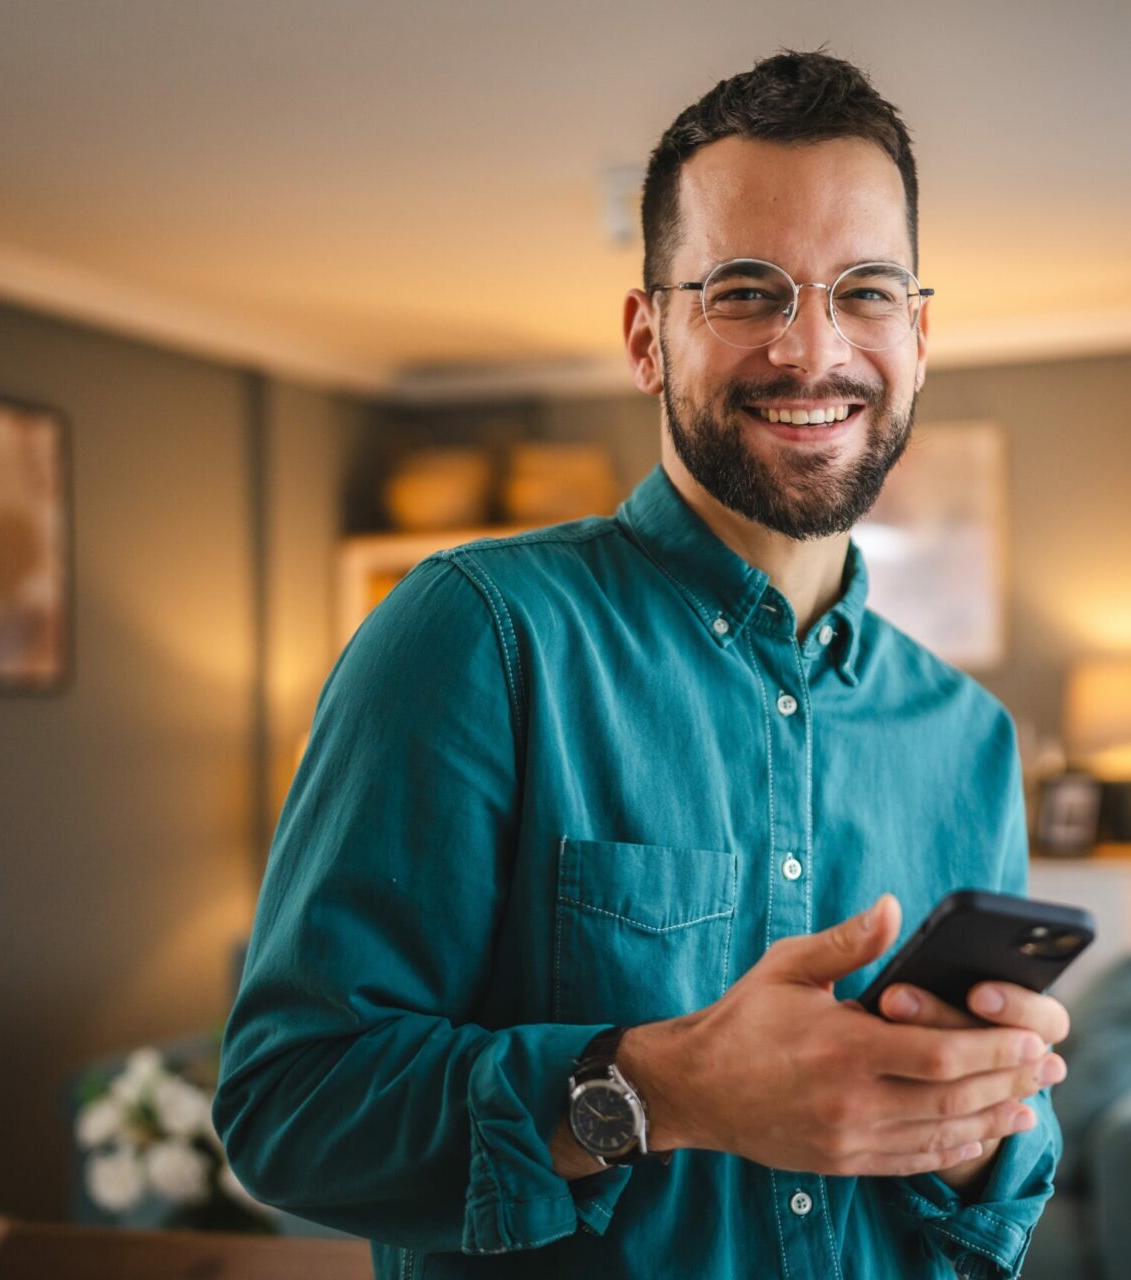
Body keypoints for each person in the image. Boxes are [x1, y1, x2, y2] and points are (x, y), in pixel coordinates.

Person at [214, 49, 1065, 1280]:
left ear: (920, 336)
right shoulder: (474, 635)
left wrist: (976, 1122)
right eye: (743, 290)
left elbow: (997, 1211)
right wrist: (662, 1089)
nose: (811, 348)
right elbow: (288, 1110)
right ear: (647, 333)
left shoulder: (969, 736)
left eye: (865, 291)